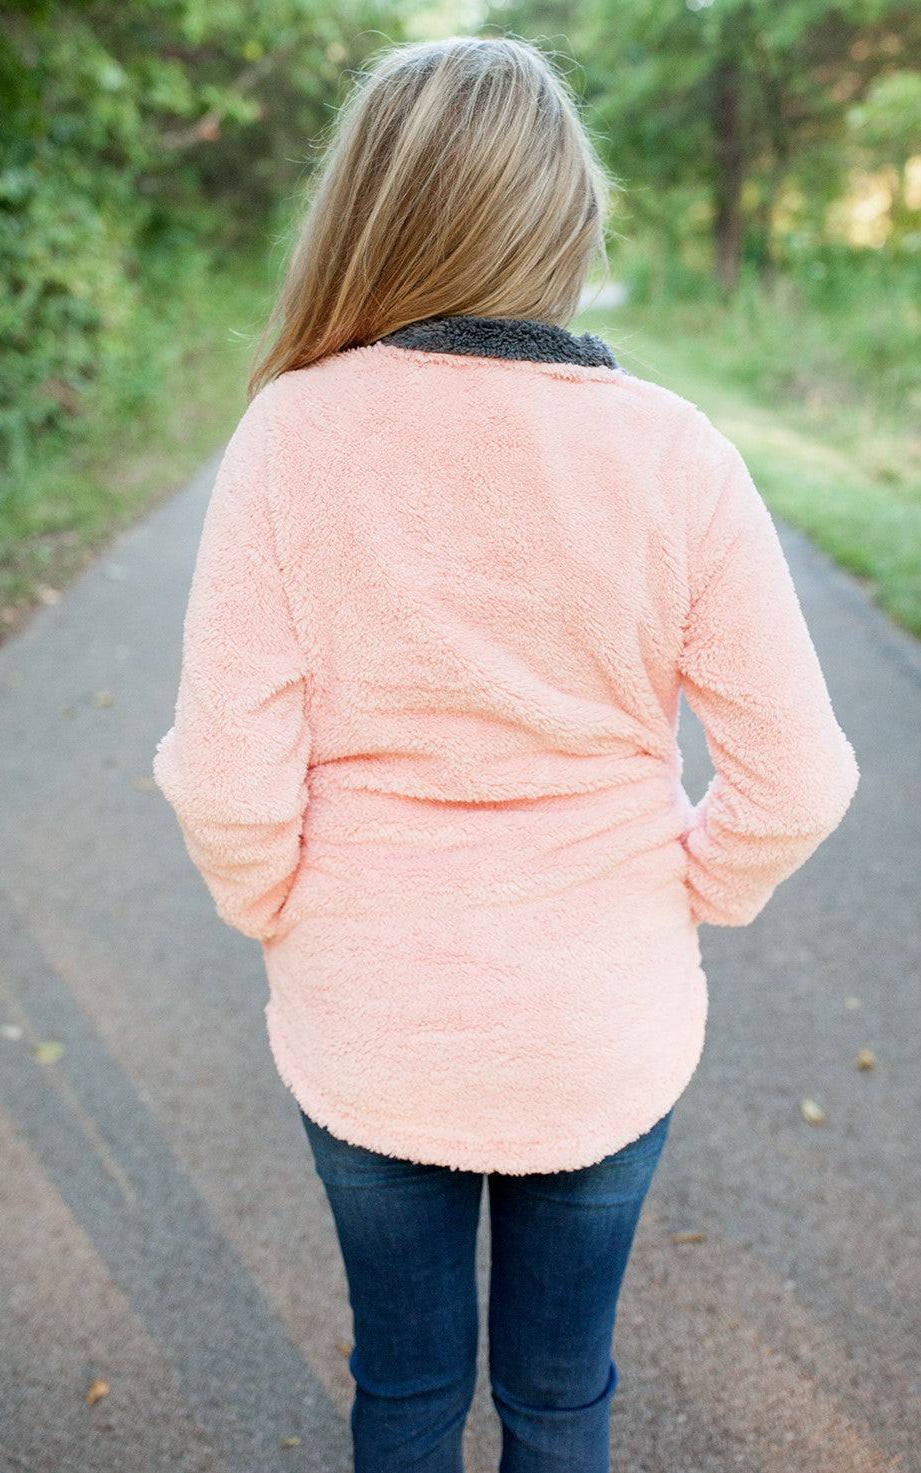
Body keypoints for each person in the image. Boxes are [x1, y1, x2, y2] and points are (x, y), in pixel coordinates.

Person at [152, 32, 860, 1473]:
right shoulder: (674, 454)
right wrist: (688, 898)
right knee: (559, 1395)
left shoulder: (290, 437)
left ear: (369, 212)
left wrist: (278, 909)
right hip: (604, 1017)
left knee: (407, 1389)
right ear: (565, 221)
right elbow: (800, 778)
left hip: (369, 1013)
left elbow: (226, 779)